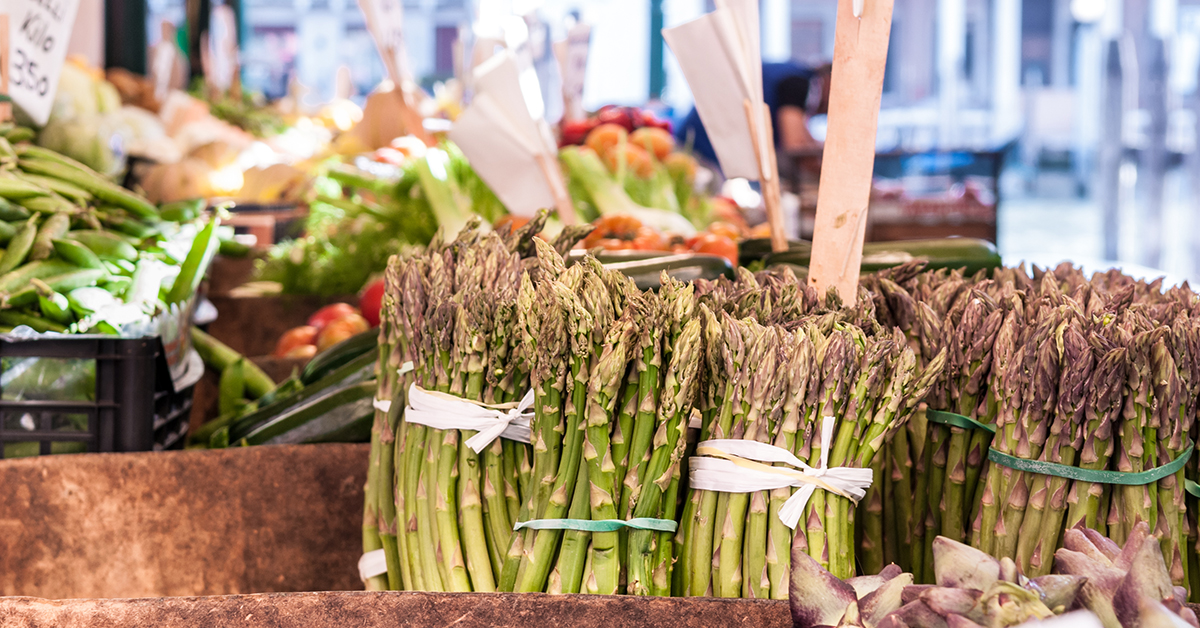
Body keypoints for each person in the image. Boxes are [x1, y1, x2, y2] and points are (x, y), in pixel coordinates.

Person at [675, 61, 830, 171]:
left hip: (702, 146)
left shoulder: (794, 76)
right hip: (701, 151)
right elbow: (796, 146)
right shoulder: (798, 83)